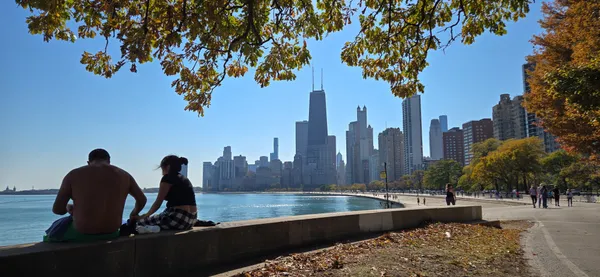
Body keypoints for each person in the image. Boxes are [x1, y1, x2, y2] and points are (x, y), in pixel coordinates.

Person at [46, 149, 147, 242]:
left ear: (88, 162)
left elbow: (58, 210)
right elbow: (142, 200)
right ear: (109, 161)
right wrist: (134, 213)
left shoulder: (73, 175)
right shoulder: (125, 175)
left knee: (52, 233)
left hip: (83, 232)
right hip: (112, 232)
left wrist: (69, 207)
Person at [134, 155, 197, 230]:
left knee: (138, 223)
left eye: (162, 169)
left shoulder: (167, 178)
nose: (162, 173)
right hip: (192, 220)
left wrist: (146, 215)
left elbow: (158, 202)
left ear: (167, 167)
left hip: (178, 219)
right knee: (157, 218)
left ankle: (152, 229)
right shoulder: (184, 179)